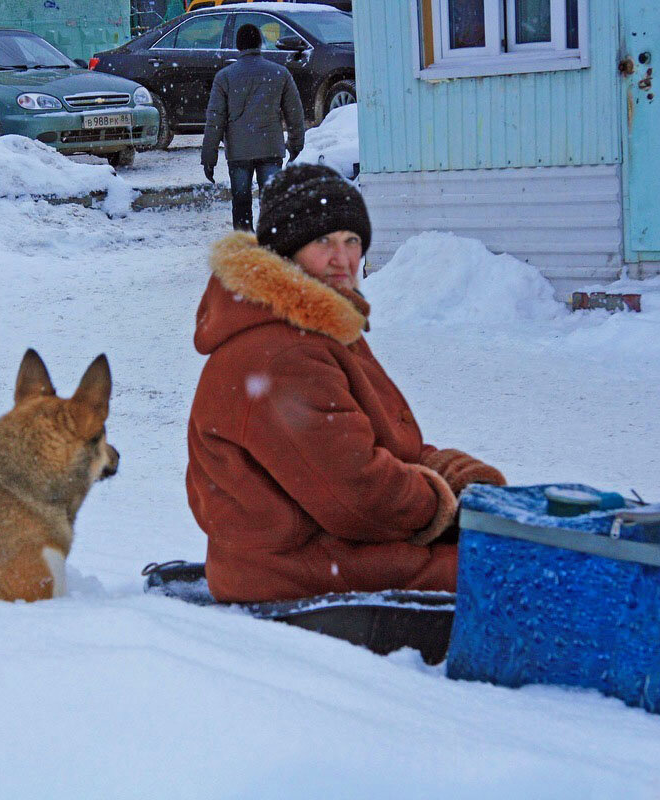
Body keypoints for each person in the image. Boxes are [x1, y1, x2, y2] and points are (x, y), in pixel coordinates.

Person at [186, 164, 507, 603]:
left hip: (324, 548)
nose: (344, 259)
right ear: (288, 251)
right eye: (323, 241)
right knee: (508, 575)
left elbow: (386, 450)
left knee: (513, 548)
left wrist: (459, 478)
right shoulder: (284, 354)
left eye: (352, 241)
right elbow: (357, 494)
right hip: (288, 568)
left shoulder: (317, 327)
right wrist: (443, 506)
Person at [201, 23, 305, 232]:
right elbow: (295, 114)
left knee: (241, 203)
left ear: (238, 46)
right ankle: (272, 245)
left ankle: (245, 246)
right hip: (270, 148)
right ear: (260, 43)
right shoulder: (280, 73)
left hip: (239, 152)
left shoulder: (225, 77)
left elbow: (215, 120)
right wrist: (295, 144)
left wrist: (209, 157)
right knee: (272, 203)